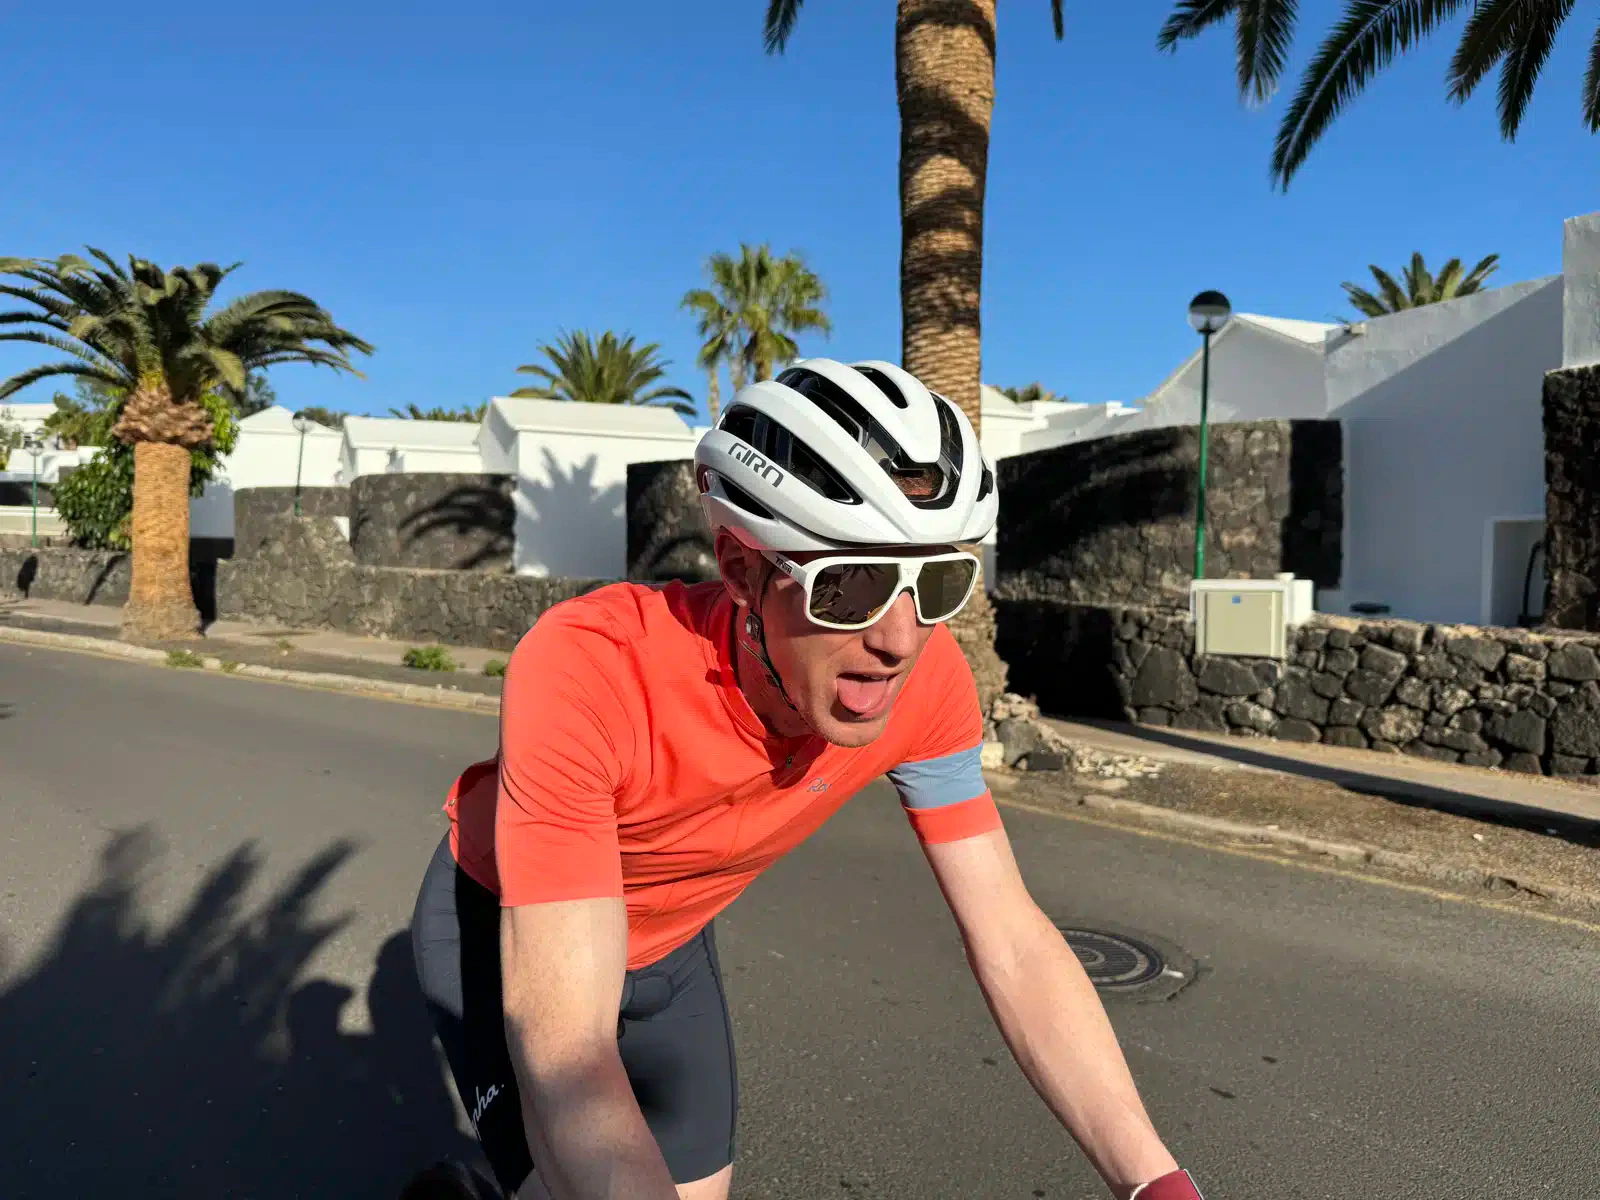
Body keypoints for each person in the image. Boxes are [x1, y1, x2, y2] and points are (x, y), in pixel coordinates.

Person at [405, 359, 1206, 1200]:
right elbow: (567, 1052)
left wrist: (1156, 1183)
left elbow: (1012, 937)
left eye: (937, 581)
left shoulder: (926, 682)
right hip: (505, 923)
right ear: (741, 568)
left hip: (673, 944)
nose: (899, 640)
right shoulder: (593, 669)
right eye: (851, 584)